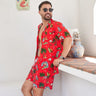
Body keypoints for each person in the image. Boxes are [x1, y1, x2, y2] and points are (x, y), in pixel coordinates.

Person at [21, 1, 72, 96]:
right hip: (37, 62)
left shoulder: (56, 25)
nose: (48, 11)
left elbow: (68, 39)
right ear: (39, 12)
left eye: (50, 9)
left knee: (37, 92)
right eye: (45, 9)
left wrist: (62, 57)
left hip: (46, 64)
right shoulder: (40, 27)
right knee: (25, 89)